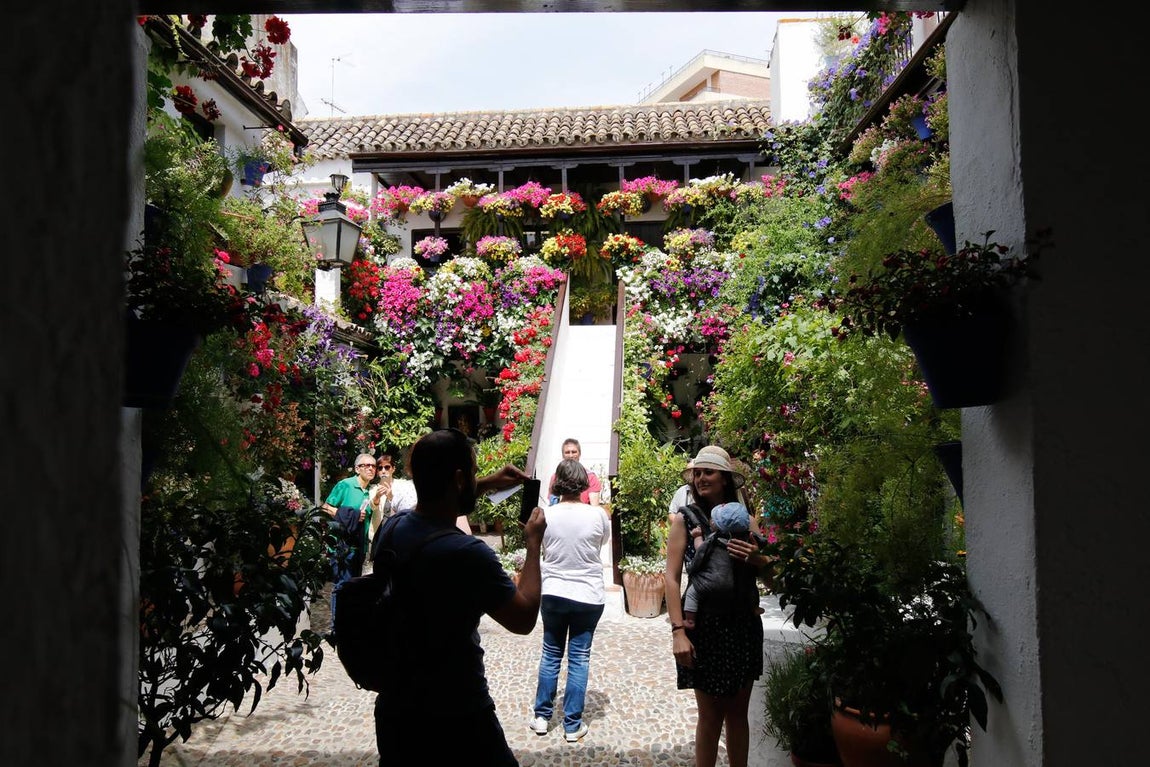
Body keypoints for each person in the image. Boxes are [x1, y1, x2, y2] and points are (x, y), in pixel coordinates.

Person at [371, 428, 545, 766]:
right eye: (474, 473)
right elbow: (523, 619)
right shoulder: (466, 553)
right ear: (459, 479)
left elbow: (437, 500)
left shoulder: (392, 530)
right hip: (457, 713)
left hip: (398, 709)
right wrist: (534, 545)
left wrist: (486, 482)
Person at [664, 445, 769, 767]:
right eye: (697, 473)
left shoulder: (748, 522)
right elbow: (670, 578)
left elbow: (773, 575)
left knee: (738, 715)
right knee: (709, 717)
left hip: (743, 624)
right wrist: (678, 631)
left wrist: (758, 559)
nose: (700, 478)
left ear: (725, 478)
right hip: (704, 629)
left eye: (707, 472)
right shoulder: (687, 519)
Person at [528, 459, 612, 743]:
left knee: (551, 653)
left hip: (553, 590)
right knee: (579, 658)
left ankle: (542, 716)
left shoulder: (545, 514)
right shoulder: (598, 515)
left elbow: (536, 545)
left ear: (556, 483)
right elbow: (601, 544)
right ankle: (572, 724)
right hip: (588, 593)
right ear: (584, 485)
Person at [321, 452, 377, 631]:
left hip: (359, 545)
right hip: (342, 545)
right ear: (357, 469)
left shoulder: (370, 491)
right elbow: (326, 507)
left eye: (373, 466)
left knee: (353, 586)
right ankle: (336, 627)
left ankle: (348, 625)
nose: (371, 468)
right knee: (341, 585)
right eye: (366, 465)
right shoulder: (345, 485)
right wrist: (347, 514)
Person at [680, 500, 754, 630]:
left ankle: (690, 620)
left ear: (717, 525)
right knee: (750, 586)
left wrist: (697, 536)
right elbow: (762, 542)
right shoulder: (748, 539)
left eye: (713, 520)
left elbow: (700, 549)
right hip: (737, 584)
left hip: (713, 583)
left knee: (692, 593)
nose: (711, 521)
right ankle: (755, 607)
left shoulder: (714, 539)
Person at [369, 447, 472, 539]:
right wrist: (377, 497)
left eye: (387, 467)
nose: (383, 470)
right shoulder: (374, 488)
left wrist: (391, 497)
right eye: (380, 468)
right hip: (383, 531)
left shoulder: (405, 485)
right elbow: (373, 507)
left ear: (393, 468)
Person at [546, 437, 601, 505]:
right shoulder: (556, 476)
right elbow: (552, 503)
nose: (571, 455)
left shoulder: (591, 477)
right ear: (563, 455)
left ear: (579, 454)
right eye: (567, 452)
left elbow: (594, 507)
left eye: (574, 452)